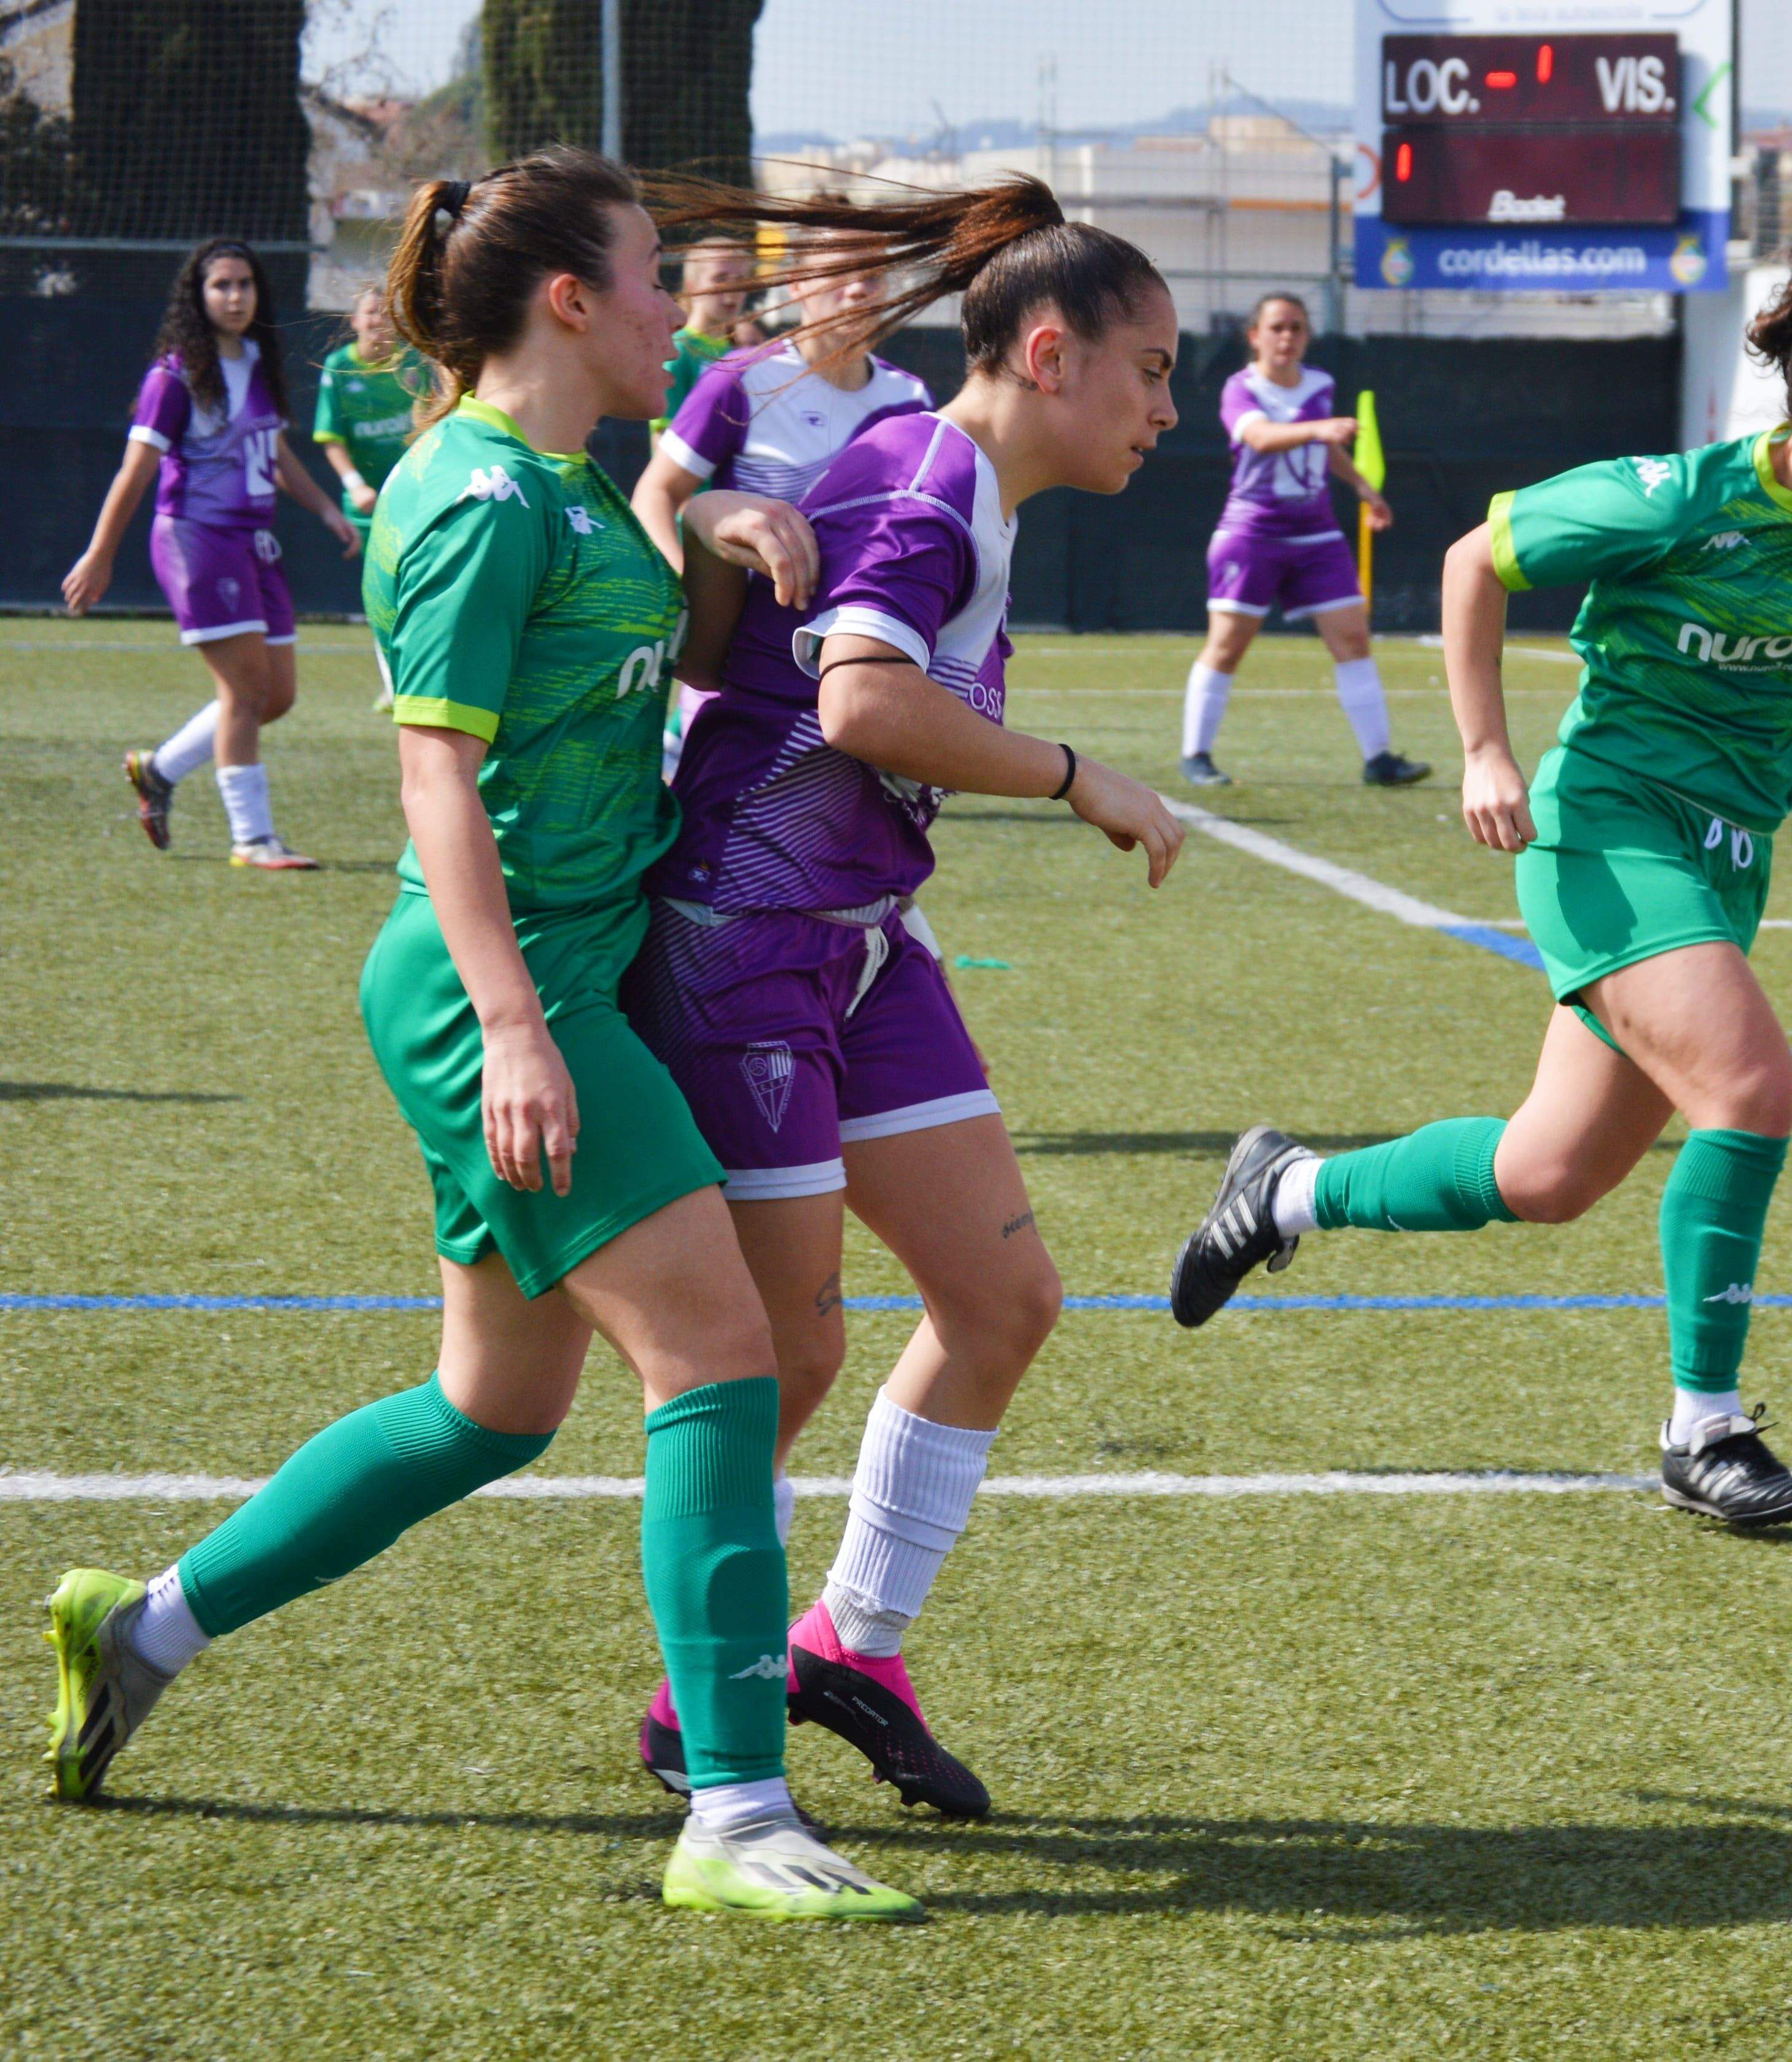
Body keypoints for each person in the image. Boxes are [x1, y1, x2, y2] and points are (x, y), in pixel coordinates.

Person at [42, 149, 920, 1923]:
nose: (693, 306)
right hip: (498, 991)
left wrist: (717, 538)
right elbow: (434, 764)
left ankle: (140, 1624)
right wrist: (516, 1026)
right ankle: (737, 1812)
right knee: (720, 1351)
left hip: (568, 976)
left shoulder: (572, 482)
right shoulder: (475, 495)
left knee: (492, 1406)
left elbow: (614, 668)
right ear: (575, 303)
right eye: (660, 276)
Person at [1166, 243, 1792, 1527]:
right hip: (1605, 834)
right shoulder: (1676, 497)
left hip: (1724, 864)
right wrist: (1483, 750)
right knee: (1750, 1088)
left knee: (1546, 1172)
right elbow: (1472, 561)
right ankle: (1703, 1427)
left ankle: (1280, 1189)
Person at [618, 172, 1186, 1811]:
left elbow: (765, 667)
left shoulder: (952, 479)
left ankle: (848, 1644)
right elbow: (863, 704)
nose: (1167, 407)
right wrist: (1078, 772)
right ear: (1054, 350)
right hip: (752, 939)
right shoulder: (931, 476)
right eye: (1150, 369)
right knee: (778, 1360)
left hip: (860, 931)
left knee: (1001, 1300)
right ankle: (706, 1710)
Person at [71, 238, 362, 868]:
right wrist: (100, 554)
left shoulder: (256, 359)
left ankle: (161, 769)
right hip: (198, 540)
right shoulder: (173, 376)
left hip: (255, 544)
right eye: (220, 285)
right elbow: (134, 471)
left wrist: (327, 508)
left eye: (244, 285)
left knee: (276, 694)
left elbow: (276, 453)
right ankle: (253, 839)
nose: (234, 296)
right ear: (197, 297)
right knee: (245, 691)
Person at [632, 235, 933, 777]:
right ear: (797, 284)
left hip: (854, 674)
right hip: (739, 676)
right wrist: (685, 591)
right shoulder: (741, 379)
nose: (859, 291)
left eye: (873, 277)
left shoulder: (909, 402)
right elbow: (656, 492)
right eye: (839, 275)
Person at [1177, 292, 1427, 790]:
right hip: (1252, 532)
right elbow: (1262, 438)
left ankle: (1379, 760)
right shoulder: (1240, 388)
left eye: (1296, 327)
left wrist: (1363, 488)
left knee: (1354, 639)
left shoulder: (1320, 385)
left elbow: (1326, 447)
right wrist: (1320, 428)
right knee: (1226, 646)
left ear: (1308, 336)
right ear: (1255, 336)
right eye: (1276, 328)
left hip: (1316, 534)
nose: (1287, 337)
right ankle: (1196, 755)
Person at [312, 284, 429, 712]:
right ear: (355, 321)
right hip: (367, 507)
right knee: (384, 594)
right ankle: (397, 686)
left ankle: (419, 679)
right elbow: (331, 438)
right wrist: (354, 484)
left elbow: (433, 419)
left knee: (417, 589)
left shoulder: (414, 364)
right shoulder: (339, 367)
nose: (378, 321)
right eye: (371, 312)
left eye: (386, 313)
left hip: (416, 499)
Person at [656, 235, 755, 433]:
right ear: (692, 286)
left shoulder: (738, 351)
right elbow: (663, 434)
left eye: (741, 280)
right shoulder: (679, 349)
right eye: (720, 278)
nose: (732, 289)